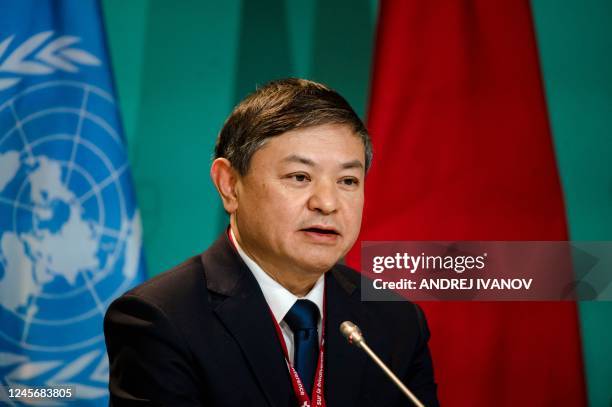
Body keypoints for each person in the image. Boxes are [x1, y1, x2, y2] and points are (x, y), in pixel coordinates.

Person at [104, 78, 439, 406]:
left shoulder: (396, 321)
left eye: (348, 180)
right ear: (230, 186)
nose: (327, 202)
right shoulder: (160, 319)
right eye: (299, 177)